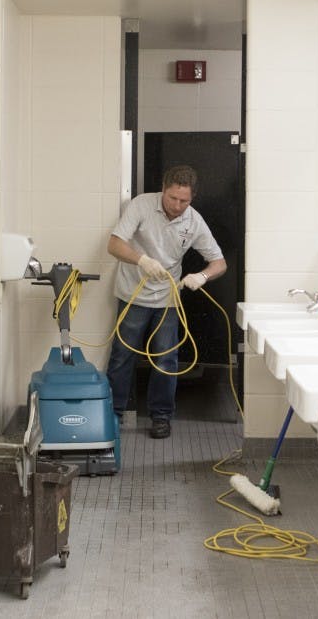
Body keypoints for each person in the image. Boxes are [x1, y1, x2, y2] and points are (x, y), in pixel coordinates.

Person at [105, 165, 227, 439]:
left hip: (168, 299)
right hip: (132, 293)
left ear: (192, 198)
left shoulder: (193, 221)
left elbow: (219, 262)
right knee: (122, 355)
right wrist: (142, 260)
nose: (177, 205)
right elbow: (114, 245)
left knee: (166, 359)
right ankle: (113, 413)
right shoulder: (141, 206)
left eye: (184, 201)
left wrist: (203, 276)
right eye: (173, 198)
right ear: (163, 189)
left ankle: (161, 416)